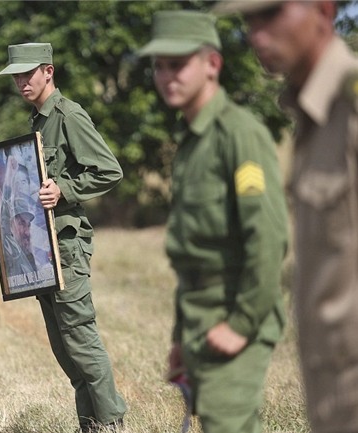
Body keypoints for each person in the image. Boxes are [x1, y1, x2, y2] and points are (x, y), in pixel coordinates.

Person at [137, 11, 289, 433]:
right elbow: (191, 252)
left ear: (212, 64)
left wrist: (241, 324)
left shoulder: (238, 135)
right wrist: (180, 337)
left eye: (178, 64)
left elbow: (269, 237)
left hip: (236, 311)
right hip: (199, 315)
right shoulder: (190, 143)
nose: (167, 76)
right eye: (159, 66)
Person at [214, 2, 358, 432]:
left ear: (323, 10)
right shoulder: (312, 113)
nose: (256, 34)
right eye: (249, 20)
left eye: (272, 14)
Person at [0, 42, 127, 432]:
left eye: (27, 74)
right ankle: (91, 425)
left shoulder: (68, 116)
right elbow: (31, 183)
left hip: (65, 247)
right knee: (65, 350)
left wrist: (65, 189)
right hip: (41, 248)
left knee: (80, 340)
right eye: (16, 76)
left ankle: (111, 422)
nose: (21, 82)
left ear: (49, 71)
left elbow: (109, 171)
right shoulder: (38, 121)